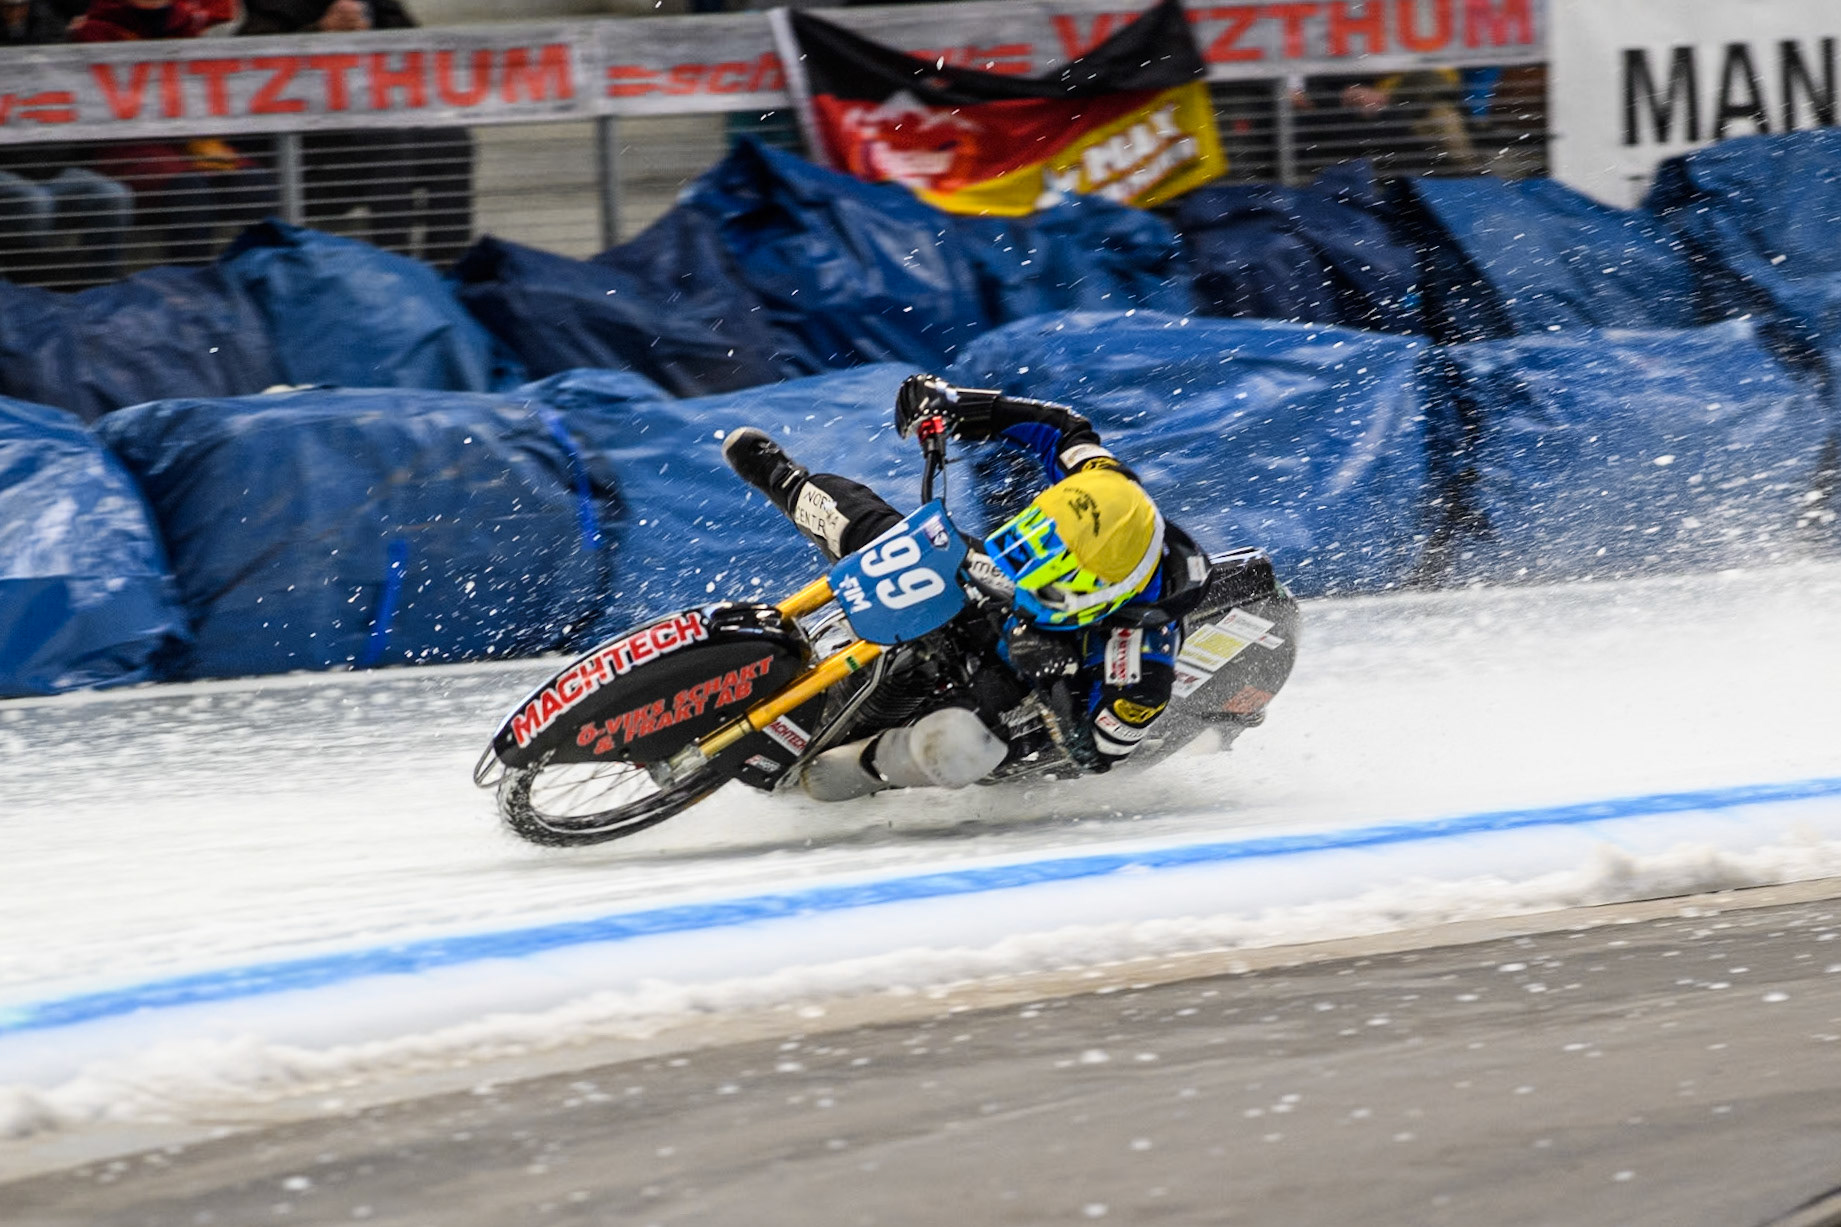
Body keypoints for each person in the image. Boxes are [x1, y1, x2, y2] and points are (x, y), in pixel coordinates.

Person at [722, 374, 1210, 801]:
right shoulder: (1099, 480)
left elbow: (1095, 755)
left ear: (1112, 596)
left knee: (955, 742)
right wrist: (955, 405)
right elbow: (1061, 427)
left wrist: (1055, 683)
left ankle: (856, 773)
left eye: (1054, 590)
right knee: (882, 533)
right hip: (997, 580)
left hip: (1030, 673)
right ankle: (787, 480)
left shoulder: (1143, 669)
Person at [237, 0, 477, 267]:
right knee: (386, 138)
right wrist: (319, 33)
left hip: (368, 150)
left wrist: (375, 38)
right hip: (303, 160)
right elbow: (243, 62)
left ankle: (445, 272)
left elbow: (415, 49)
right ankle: (396, 274)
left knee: (452, 140)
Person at [74, 0, 277, 264]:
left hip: (190, 140)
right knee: (190, 189)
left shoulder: (188, 26)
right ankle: (189, 283)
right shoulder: (95, 31)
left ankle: (262, 276)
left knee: (254, 181)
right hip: (128, 147)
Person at [0, 0, 135, 285]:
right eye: (7, 6)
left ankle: (100, 290)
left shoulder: (50, 26)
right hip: (9, 169)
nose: (14, 13)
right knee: (34, 202)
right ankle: (27, 295)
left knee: (113, 196)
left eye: (19, 5)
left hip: (49, 164)